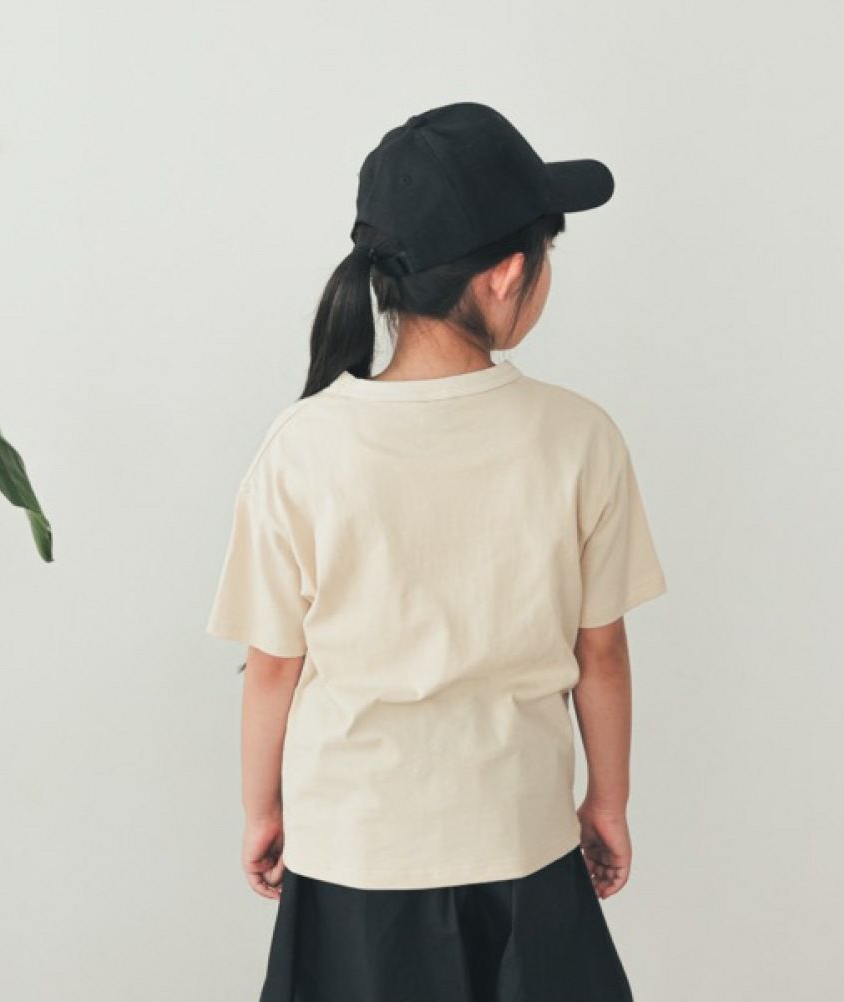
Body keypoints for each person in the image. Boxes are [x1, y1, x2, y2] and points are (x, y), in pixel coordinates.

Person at [205, 101, 668, 1002]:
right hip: (521, 845)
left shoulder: (301, 446)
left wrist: (263, 810)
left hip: (351, 853)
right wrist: (606, 803)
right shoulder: (579, 438)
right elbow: (602, 653)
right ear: (506, 274)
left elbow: (273, 668)